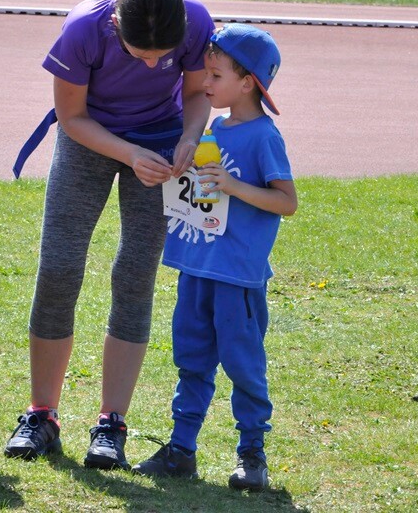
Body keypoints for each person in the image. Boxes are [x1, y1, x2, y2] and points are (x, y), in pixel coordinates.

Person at [4, 0, 215, 470]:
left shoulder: (196, 21)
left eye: (160, 57)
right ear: (116, 25)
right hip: (89, 140)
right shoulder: (83, 28)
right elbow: (71, 117)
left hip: (164, 144)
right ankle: (41, 415)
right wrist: (128, 154)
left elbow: (196, 94)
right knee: (59, 267)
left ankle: (111, 424)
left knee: (136, 272)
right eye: (138, 54)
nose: (149, 65)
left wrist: (189, 138)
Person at [131, 24, 297, 492]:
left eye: (216, 74)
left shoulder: (264, 136)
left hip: (238, 277)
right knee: (192, 360)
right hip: (196, 269)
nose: (205, 81)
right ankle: (181, 450)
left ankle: (252, 455)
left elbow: (287, 201)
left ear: (248, 83)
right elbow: (202, 193)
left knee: (243, 365)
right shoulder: (214, 128)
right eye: (206, 71)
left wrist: (235, 186)